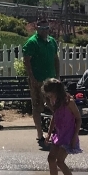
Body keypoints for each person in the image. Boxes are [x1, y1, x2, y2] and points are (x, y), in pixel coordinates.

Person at [40, 78, 82, 175]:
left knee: (60, 161)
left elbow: (78, 119)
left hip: (68, 136)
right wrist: (48, 134)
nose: (49, 97)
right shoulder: (55, 101)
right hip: (59, 134)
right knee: (51, 158)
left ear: (57, 91)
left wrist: (74, 137)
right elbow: (55, 117)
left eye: (50, 94)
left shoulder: (69, 102)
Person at [23, 19, 61, 148]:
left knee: (54, 105)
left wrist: (57, 75)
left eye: (46, 28)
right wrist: (32, 77)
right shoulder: (32, 42)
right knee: (37, 106)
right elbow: (26, 61)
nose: (44, 30)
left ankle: (57, 130)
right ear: (37, 28)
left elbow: (56, 59)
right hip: (38, 80)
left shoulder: (52, 42)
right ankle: (40, 134)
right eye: (41, 28)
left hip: (50, 80)